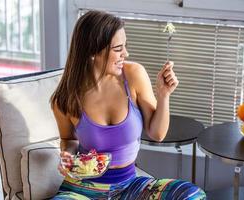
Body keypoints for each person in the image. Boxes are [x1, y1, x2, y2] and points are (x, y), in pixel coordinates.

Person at [50, 10, 206, 200]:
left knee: (192, 195)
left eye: (125, 46)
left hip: (131, 187)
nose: (126, 53)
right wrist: (67, 155)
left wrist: (163, 95)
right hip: (83, 190)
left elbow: (157, 134)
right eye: (117, 49)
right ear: (92, 51)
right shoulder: (65, 98)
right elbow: (69, 140)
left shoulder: (133, 75)